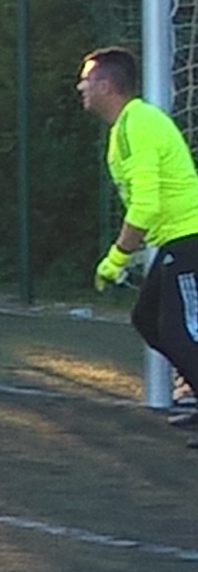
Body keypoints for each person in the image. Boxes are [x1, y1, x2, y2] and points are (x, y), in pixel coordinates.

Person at [77, 48, 198, 426]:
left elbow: (145, 206)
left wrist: (116, 258)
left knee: (180, 332)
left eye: (86, 80)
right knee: (147, 319)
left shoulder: (138, 123)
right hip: (176, 240)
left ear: (106, 86)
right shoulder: (125, 127)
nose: (80, 87)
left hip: (189, 238)